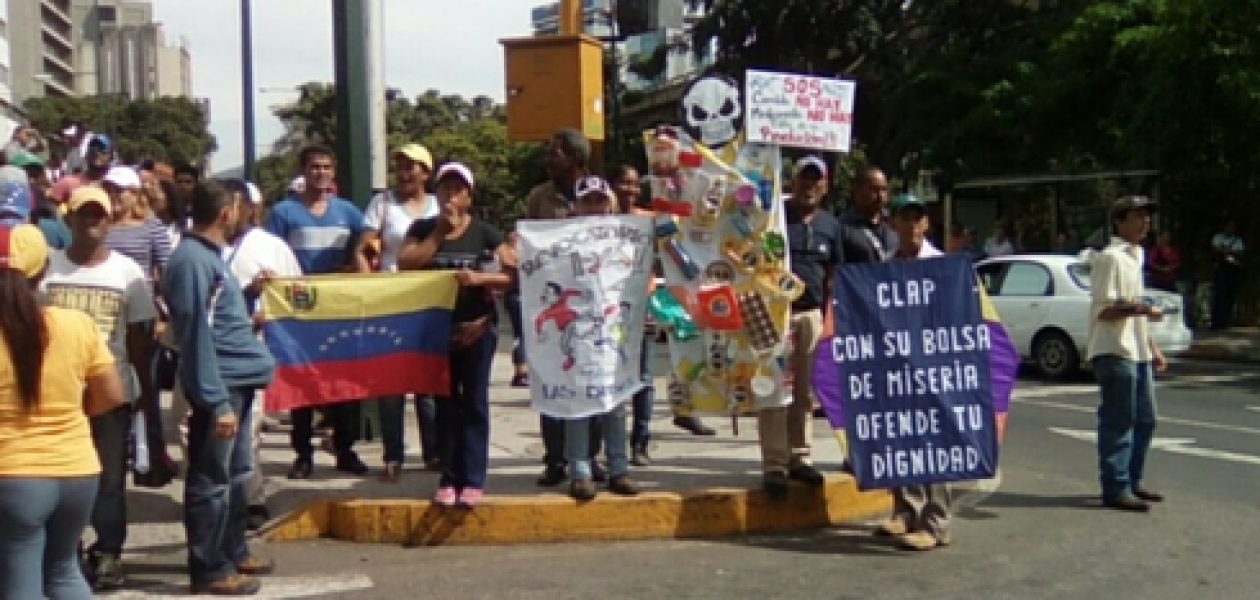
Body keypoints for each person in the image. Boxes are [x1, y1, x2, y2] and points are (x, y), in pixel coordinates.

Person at [40, 186, 158, 590]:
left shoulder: (127, 273)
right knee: (60, 477)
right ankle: (65, 553)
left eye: (98, 215)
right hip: (59, 395)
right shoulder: (49, 269)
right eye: (83, 214)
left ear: (109, 221)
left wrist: (142, 393)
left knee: (109, 480)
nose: (91, 222)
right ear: (68, 219)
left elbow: (140, 339)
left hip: (111, 392)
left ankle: (108, 553)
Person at [163, 181, 276, 595]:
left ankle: (233, 549)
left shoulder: (209, 259)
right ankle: (209, 566)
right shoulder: (194, 261)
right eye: (240, 209)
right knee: (211, 479)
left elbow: (214, 319)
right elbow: (195, 335)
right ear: (227, 212)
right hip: (222, 388)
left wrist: (246, 297)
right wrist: (215, 402)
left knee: (236, 473)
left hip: (236, 384)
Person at [0, 223, 124, 600]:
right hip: (77, 470)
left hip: (13, 472)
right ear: (42, 271)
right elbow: (112, 394)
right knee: (64, 571)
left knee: (18, 577)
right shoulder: (75, 324)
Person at [398, 162, 516, 507]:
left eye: (457, 189)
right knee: (445, 407)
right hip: (436, 334)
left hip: (477, 330)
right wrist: (437, 235)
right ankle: (448, 477)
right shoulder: (422, 228)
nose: (450, 195)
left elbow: (511, 274)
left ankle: (473, 479)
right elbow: (405, 263)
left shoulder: (484, 232)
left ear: (468, 195)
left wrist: (478, 280)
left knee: (474, 403)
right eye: (444, 189)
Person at [265, 144, 369, 479]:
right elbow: (269, 253)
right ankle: (303, 453)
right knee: (302, 384)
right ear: (303, 171)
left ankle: (345, 448)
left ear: (333, 172)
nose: (320, 173)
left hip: (338, 307)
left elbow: (366, 242)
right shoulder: (283, 213)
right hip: (299, 309)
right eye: (314, 167)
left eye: (326, 167)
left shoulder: (348, 212)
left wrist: (359, 260)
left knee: (344, 382)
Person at [525, 129, 612, 487]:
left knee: (591, 380)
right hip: (550, 299)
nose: (549, 159)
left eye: (556, 153)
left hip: (590, 304)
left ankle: (590, 457)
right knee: (551, 379)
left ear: (577, 160)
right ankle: (555, 458)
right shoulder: (538, 198)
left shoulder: (598, 193)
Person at [354, 143, 442, 481]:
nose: (405, 173)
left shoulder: (437, 206)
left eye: (412, 167)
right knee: (391, 383)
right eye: (401, 167)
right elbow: (363, 247)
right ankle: (394, 455)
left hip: (429, 300)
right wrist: (367, 285)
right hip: (389, 298)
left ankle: (433, 452)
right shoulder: (382, 204)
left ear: (426, 173)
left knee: (428, 382)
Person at [219, 179, 302, 529]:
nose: (236, 211)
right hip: (210, 352)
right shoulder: (206, 247)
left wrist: (271, 309)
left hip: (255, 352)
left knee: (246, 430)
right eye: (230, 204)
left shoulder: (272, 247)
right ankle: (216, 497)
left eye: (243, 204)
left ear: (253, 210)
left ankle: (250, 501)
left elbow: (298, 293)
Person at [759, 156, 841, 497]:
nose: (809, 185)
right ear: (792, 182)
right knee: (773, 389)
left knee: (805, 392)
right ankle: (774, 463)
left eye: (815, 180)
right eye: (803, 179)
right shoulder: (774, 219)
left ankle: (799, 457)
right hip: (775, 313)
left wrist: (827, 317)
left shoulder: (830, 226)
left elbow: (833, 274)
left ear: (825, 186)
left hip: (811, 316)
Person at [880, 193, 956, 551]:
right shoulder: (885, 267)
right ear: (893, 224)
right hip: (897, 370)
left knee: (934, 445)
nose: (911, 225)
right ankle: (906, 512)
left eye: (917, 218)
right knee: (901, 441)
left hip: (936, 368)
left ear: (926, 224)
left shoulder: (943, 267)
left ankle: (936, 522)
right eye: (904, 218)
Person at [563, 175, 641, 500]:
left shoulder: (627, 238)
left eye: (599, 200)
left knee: (616, 400)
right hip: (578, 327)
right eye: (588, 200)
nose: (594, 206)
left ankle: (618, 468)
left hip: (615, 327)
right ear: (576, 205)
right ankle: (580, 469)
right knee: (577, 401)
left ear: (609, 203)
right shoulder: (561, 241)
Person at [1086, 195, 1166, 513]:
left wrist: (1153, 348)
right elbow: (1105, 310)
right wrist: (1143, 309)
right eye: (1136, 216)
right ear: (1119, 222)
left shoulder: (1137, 255)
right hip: (1113, 350)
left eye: (1146, 216)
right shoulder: (1110, 258)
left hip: (1137, 351)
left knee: (1146, 419)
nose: (1144, 222)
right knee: (1120, 420)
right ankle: (1116, 486)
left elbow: (1135, 313)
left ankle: (1132, 480)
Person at [101, 165, 177, 486]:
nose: (116, 196)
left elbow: (168, 270)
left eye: (122, 190)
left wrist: (163, 317)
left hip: (142, 318)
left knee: (146, 389)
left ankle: (152, 457)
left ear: (136, 194)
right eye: (111, 189)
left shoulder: (152, 227)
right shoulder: (99, 226)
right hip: (103, 317)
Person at [611, 164, 658, 466]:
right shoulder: (600, 220)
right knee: (610, 376)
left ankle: (640, 442)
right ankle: (607, 447)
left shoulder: (650, 220)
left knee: (644, 378)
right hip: (610, 310)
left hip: (644, 303)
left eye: (634, 184)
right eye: (623, 183)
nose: (630, 189)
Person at [838, 166, 897, 263]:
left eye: (884, 189)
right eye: (874, 189)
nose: (880, 196)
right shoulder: (842, 228)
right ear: (857, 190)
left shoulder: (894, 225)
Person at [503, 231, 530, 389]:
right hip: (515, 295)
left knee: (523, 334)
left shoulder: (522, 252)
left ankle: (523, 370)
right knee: (521, 334)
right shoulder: (508, 252)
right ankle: (521, 371)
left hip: (521, 295)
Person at [1210, 219, 1244, 330]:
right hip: (1220, 268)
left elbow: (1240, 252)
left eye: (1232, 227)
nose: (1230, 229)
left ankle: (1225, 321)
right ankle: (1216, 321)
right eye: (1228, 226)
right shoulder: (1217, 237)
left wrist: (1225, 251)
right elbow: (1215, 250)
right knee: (1218, 295)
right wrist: (1227, 251)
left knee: (1229, 295)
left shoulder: (1238, 240)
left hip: (1232, 269)